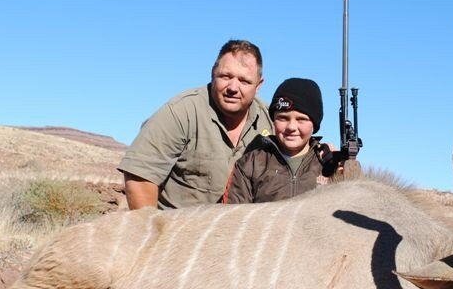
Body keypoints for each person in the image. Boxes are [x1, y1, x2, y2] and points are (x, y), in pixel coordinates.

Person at [119, 40, 273, 210]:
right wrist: (152, 232)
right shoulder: (181, 111)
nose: (233, 88)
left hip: (240, 228)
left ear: (259, 85)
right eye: (225, 76)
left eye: (244, 81)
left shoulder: (272, 121)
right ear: (212, 73)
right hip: (178, 229)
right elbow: (140, 176)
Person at [225, 77, 335, 204]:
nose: (291, 127)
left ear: (314, 124)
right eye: (283, 118)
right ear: (273, 120)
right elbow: (234, 213)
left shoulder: (329, 163)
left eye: (301, 119)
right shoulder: (251, 163)